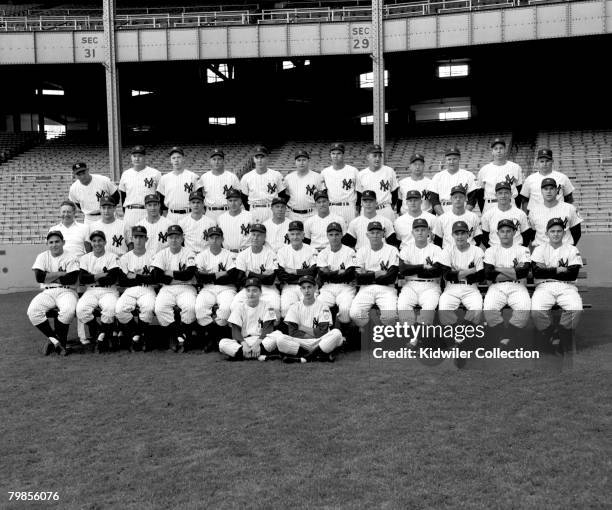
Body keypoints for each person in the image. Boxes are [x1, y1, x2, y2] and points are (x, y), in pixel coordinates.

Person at [531, 218, 583, 353]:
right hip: (544, 287)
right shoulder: (539, 249)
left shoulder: (571, 249)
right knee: (536, 310)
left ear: (564, 233)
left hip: (567, 286)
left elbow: (572, 274)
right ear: (547, 233)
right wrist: (557, 270)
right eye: (552, 231)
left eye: (559, 231)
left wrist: (547, 271)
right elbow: (537, 273)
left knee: (576, 308)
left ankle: (560, 333)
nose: (556, 234)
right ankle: (553, 333)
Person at [269, 275, 345, 363]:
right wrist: (314, 333)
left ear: (315, 288)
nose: (307, 291)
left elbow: (322, 332)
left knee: (337, 333)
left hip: (319, 341)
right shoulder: (294, 307)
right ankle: (318, 355)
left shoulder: (323, 307)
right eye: (304, 288)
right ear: (300, 290)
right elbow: (293, 333)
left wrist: (301, 327)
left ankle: (305, 358)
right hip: (302, 342)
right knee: (280, 340)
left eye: (309, 287)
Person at [26, 231, 79, 355]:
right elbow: (39, 277)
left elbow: (71, 279)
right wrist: (60, 274)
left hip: (67, 290)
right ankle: (55, 341)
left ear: (63, 242)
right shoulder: (42, 256)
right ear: (47, 244)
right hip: (48, 291)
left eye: (57, 241)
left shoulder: (71, 256)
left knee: (68, 311)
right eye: (51, 242)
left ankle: (57, 343)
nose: (54, 245)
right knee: (32, 311)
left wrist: (48, 276)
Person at [49, 200, 91, 345]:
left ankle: (84, 337)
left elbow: (88, 250)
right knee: (62, 305)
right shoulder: (53, 229)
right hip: (61, 273)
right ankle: (61, 338)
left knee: (81, 305)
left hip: (78, 271)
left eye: (69, 211)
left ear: (74, 213)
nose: (66, 214)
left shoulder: (84, 228)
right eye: (63, 211)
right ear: (60, 213)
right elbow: (51, 252)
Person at [483, 219, 532, 345]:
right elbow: (488, 274)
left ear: (514, 232)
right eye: (502, 231)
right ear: (497, 233)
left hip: (517, 286)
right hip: (496, 287)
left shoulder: (523, 250)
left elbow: (523, 273)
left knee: (524, 308)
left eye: (508, 231)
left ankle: (505, 336)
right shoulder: (490, 250)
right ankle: (506, 337)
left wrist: (497, 268)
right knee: (489, 309)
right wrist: (513, 271)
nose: (505, 234)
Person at [151, 225, 197, 353]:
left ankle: (183, 337)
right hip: (167, 289)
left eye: (177, 237)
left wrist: (169, 273)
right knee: (160, 308)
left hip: (186, 287)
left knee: (190, 307)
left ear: (182, 238)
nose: (174, 240)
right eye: (171, 237)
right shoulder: (162, 254)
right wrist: (179, 276)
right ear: (167, 239)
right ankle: (180, 336)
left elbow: (189, 274)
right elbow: (157, 275)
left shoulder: (189, 253)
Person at [76, 230, 122, 352]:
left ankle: (102, 338)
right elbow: (82, 278)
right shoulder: (86, 258)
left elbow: (112, 278)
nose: (97, 243)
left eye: (100, 240)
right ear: (91, 243)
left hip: (109, 291)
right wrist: (101, 275)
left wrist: (92, 277)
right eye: (94, 241)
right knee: (81, 310)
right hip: (90, 291)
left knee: (110, 309)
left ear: (105, 242)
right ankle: (103, 332)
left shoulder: (112, 256)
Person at [349, 221, 399, 328]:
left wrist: (367, 274)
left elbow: (391, 277)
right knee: (355, 314)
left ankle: (384, 332)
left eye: (378, 232)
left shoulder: (392, 250)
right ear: (367, 235)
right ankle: (370, 327)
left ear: (383, 234)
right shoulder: (361, 251)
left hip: (387, 289)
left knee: (390, 317)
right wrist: (377, 274)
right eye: (372, 233)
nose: (375, 235)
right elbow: (357, 278)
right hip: (366, 289)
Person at [194, 226, 238, 348]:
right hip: (208, 288)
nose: (214, 240)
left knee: (225, 310)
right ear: (207, 239)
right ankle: (213, 337)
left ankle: (216, 338)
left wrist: (209, 274)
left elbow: (232, 276)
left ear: (222, 239)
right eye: (211, 237)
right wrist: (221, 274)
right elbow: (199, 277)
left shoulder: (230, 255)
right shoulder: (201, 255)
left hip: (227, 288)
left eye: (217, 237)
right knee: (200, 309)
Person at [115, 226, 157, 351]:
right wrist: (144, 277)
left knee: (148, 308)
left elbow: (154, 279)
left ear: (146, 239)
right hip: (130, 289)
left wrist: (135, 276)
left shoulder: (153, 256)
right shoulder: (125, 257)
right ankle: (137, 334)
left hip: (147, 289)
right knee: (119, 310)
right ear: (132, 238)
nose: (138, 240)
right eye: (136, 237)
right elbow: (122, 280)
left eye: (141, 237)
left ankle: (140, 337)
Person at [435, 221, 484, 327]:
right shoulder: (447, 250)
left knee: (477, 308)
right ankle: (457, 333)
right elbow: (447, 275)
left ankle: (461, 333)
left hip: (471, 288)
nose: (460, 236)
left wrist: (456, 272)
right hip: (451, 288)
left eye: (463, 233)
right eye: (457, 233)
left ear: (468, 234)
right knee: (443, 308)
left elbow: (480, 276)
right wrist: (470, 270)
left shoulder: (477, 251)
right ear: (452, 235)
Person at [397, 219, 442, 332]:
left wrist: (412, 268)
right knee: (402, 307)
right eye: (417, 230)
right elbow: (403, 270)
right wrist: (422, 267)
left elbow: (437, 271)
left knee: (428, 311)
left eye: (423, 229)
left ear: (428, 232)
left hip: (431, 286)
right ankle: (416, 338)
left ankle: (416, 340)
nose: (420, 232)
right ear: (412, 232)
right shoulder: (406, 249)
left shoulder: (436, 249)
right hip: (410, 285)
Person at [218, 278, 279, 361]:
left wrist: (257, 345)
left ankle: (243, 355)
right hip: (245, 340)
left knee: (278, 335)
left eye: (254, 290)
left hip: (262, 340)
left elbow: (268, 329)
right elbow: (235, 331)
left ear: (260, 292)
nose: (251, 294)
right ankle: (259, 354)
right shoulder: (238, 307)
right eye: (248, 290)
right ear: (245, 292)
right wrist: (245, 345)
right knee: (222, 343)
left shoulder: (269, 306)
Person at [231, 223, 281, 321]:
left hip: (268, 289)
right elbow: (240, 279)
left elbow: (270, 280)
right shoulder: (242, 255)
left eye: (259, 235)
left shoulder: (271, 254)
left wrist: (249, 274)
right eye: (253, 234)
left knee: (274, 309)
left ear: (264, 237)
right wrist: (262, 276)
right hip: (248, 289)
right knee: (234, 306)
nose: (255, 238)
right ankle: (243, 330)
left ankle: (268, 331)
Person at [316, 222, 357, 332]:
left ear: (342, 235)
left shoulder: (349, 251)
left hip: (346, 287)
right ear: (327, 236)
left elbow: (350, 274)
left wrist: (330, 273)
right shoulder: (323, 253)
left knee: (345, 309)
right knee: (320, 305)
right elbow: (322, 275)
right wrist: (339, 272)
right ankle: (325, 334)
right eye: (331, 234)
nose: (334, 237)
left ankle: (345, 336)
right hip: (327, 288)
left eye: (337, 234)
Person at [277, 220, 318, 317]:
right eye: (292, 234)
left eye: (298, 234)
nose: (295, 237)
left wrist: (294, 271)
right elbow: (283, 275)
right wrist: (304, 273)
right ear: (288, 236)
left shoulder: (312, 250)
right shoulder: (282, 251)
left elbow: (313, 272)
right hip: (289, 287)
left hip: (308, 286)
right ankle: (293, 332)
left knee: (312, 309)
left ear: (303, 235)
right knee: (287, 309)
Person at [528, 178, 582, 247]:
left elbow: (577, 232)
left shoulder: (569, 208)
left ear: (557, 190)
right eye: (546, 189)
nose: (549, 191)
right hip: (542, 251)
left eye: (551, 188)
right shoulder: (533, 211)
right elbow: (532, 232)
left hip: (564, 250)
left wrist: (569, 248)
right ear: (541, 191)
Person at [119, 145, 161, 230]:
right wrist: (125, 211)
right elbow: (123, 195)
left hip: (148, 211)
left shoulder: (155, 173)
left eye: (140, 156)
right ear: (131, 158)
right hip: (130, 211)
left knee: (150, 237)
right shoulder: (126, 174)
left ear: (145, 157)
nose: (137, 159)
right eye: (134, 156)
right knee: (131, 239)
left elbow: (160, 194)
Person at [240, 145, 285, 223]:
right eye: (257, 157)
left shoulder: (276, 175)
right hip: (254, 210)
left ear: (267, 158)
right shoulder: (246, 177)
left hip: (271, 209)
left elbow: (282, 195)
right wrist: (250, 209)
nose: (259, 160)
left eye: (262, 157)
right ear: (254, 159)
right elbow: (244, 197)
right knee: (255, 234)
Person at [477, 139, 523, 212]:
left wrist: (516, 206)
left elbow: (520, 189)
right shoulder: (484, 169)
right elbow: (480, 193)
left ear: (505, 150)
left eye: (501, 148)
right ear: (492, 151)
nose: (499, 151)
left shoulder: (515, 167)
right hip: (490, 204)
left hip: (510, 204)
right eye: (496, 149)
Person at [480, 182, 532, 248]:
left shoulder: (520, 214)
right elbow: (484, 236)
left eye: (506, 193)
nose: (503, 196)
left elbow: (526, 235)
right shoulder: (488, 214)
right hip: (495, 251)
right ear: (496, 195)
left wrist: (519, 249)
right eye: (500, 193)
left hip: (516, 251)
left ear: (511, 194)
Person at [157, 146, 199, 224]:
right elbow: (162, 199)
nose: (176, 160)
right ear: (170, 160)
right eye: (173, 158)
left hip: (189, 214)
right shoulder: (164, 178)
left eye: (179, 157)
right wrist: (164, 214)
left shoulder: (193, 176)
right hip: (171, 215)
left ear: (183, 159)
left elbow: (199, 197)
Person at [429, 148, 478, 215]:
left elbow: (472, 199)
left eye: (454, 159)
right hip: (443, 209)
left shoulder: (469, 175)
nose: (452, 162)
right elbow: (434, 199)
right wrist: (443, 216)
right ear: (445, 160)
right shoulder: (437, 177)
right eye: (449, 159)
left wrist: (465, 215)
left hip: (463, 208)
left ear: (459, 159)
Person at [321, 143, 360, 224]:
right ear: (330, 155)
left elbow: (359, 192)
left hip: (349, 207)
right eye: (333, 153)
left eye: (338, 153)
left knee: (350, 235)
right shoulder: (325, 172)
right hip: (332, 207)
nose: (335, 156)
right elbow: (323, 192)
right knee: (332, 234)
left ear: (343, 155)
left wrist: (358, 209)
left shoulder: (353, 171)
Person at [357, 144, 398, 221]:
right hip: (367, 210)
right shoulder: (361, 174)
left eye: (379, 156)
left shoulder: (389, 171)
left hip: (385, 209)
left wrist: (389, 207)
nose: (377, 158)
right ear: (368, 157)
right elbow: (359, 196)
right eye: (374, 156)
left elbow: (395, 193)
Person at [197, 148, 240, 221]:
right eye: (214, 159)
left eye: (219, 159)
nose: (216, 162)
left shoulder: (232, 177)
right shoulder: (204, 177)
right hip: (210, 213)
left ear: (223, 161)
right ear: (210, 161)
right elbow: (199, 195)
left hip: (227, 211)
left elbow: (239, 196)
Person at [283, 150, 323, 222]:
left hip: (312, 214)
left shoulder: (317, 177)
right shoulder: (288, 178)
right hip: (293, 215)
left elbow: (323, 196)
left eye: (304, 160)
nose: (301, 163)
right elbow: (284, 196)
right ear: (295, 162)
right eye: (299, 160)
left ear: (308, 161)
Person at [216, 188, 253, 255]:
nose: (233, 203)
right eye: (230, 201)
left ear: (240, 201)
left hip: (246, 253)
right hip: (227, 254)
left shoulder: (250, 216)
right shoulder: (221, 218)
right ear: (227, 202)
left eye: (235, 200)